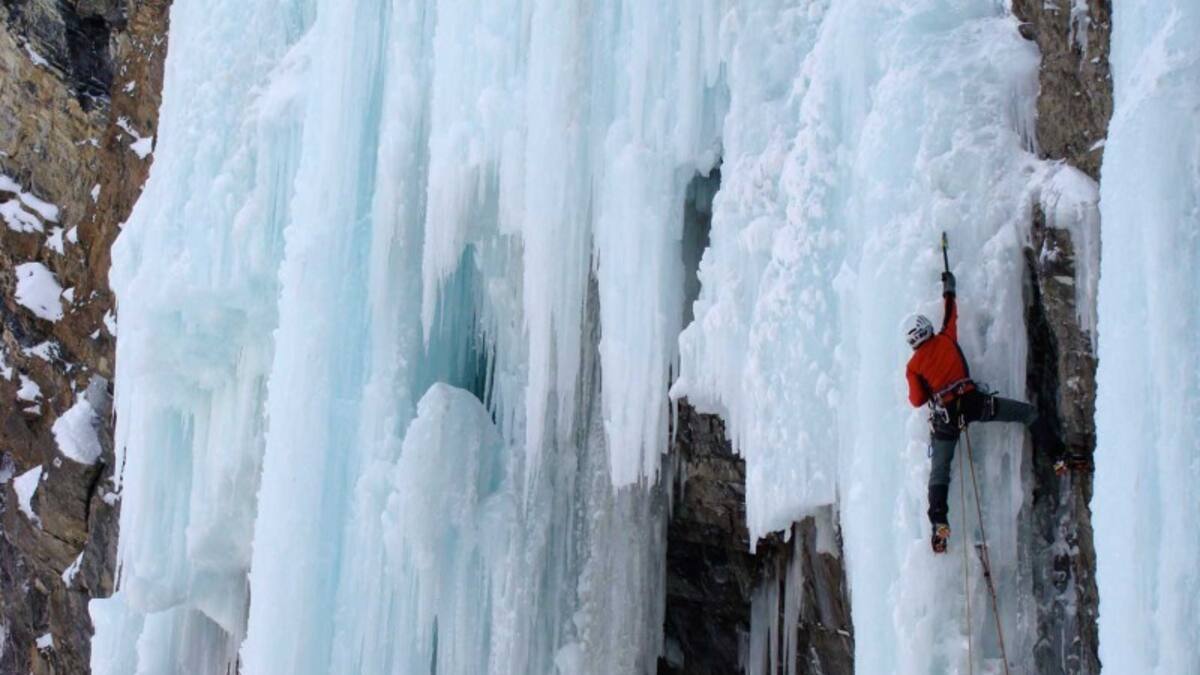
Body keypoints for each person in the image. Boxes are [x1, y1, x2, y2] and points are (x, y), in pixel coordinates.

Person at [903, 271, 1037, 554]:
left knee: (940, 471)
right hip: (974, 403)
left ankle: (939, 523)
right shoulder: (946, 338)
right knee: (1025, 414)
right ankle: (1060, 454)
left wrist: (931, 387)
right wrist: (949, 287)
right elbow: (951, 312)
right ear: (927, 330)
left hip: (947, 419)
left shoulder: (913, 366)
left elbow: (916, 400)